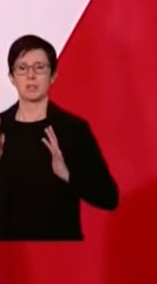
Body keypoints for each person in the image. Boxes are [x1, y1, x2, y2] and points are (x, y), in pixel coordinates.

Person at [0, 35, 118, 240]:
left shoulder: (73, 129)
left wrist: (67, 174)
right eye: (22, 68)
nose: (31, 76)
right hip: (9, 253)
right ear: (11, 77)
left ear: (53, 75)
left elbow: (109, 197)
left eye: (39, 68)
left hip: (60, 250)